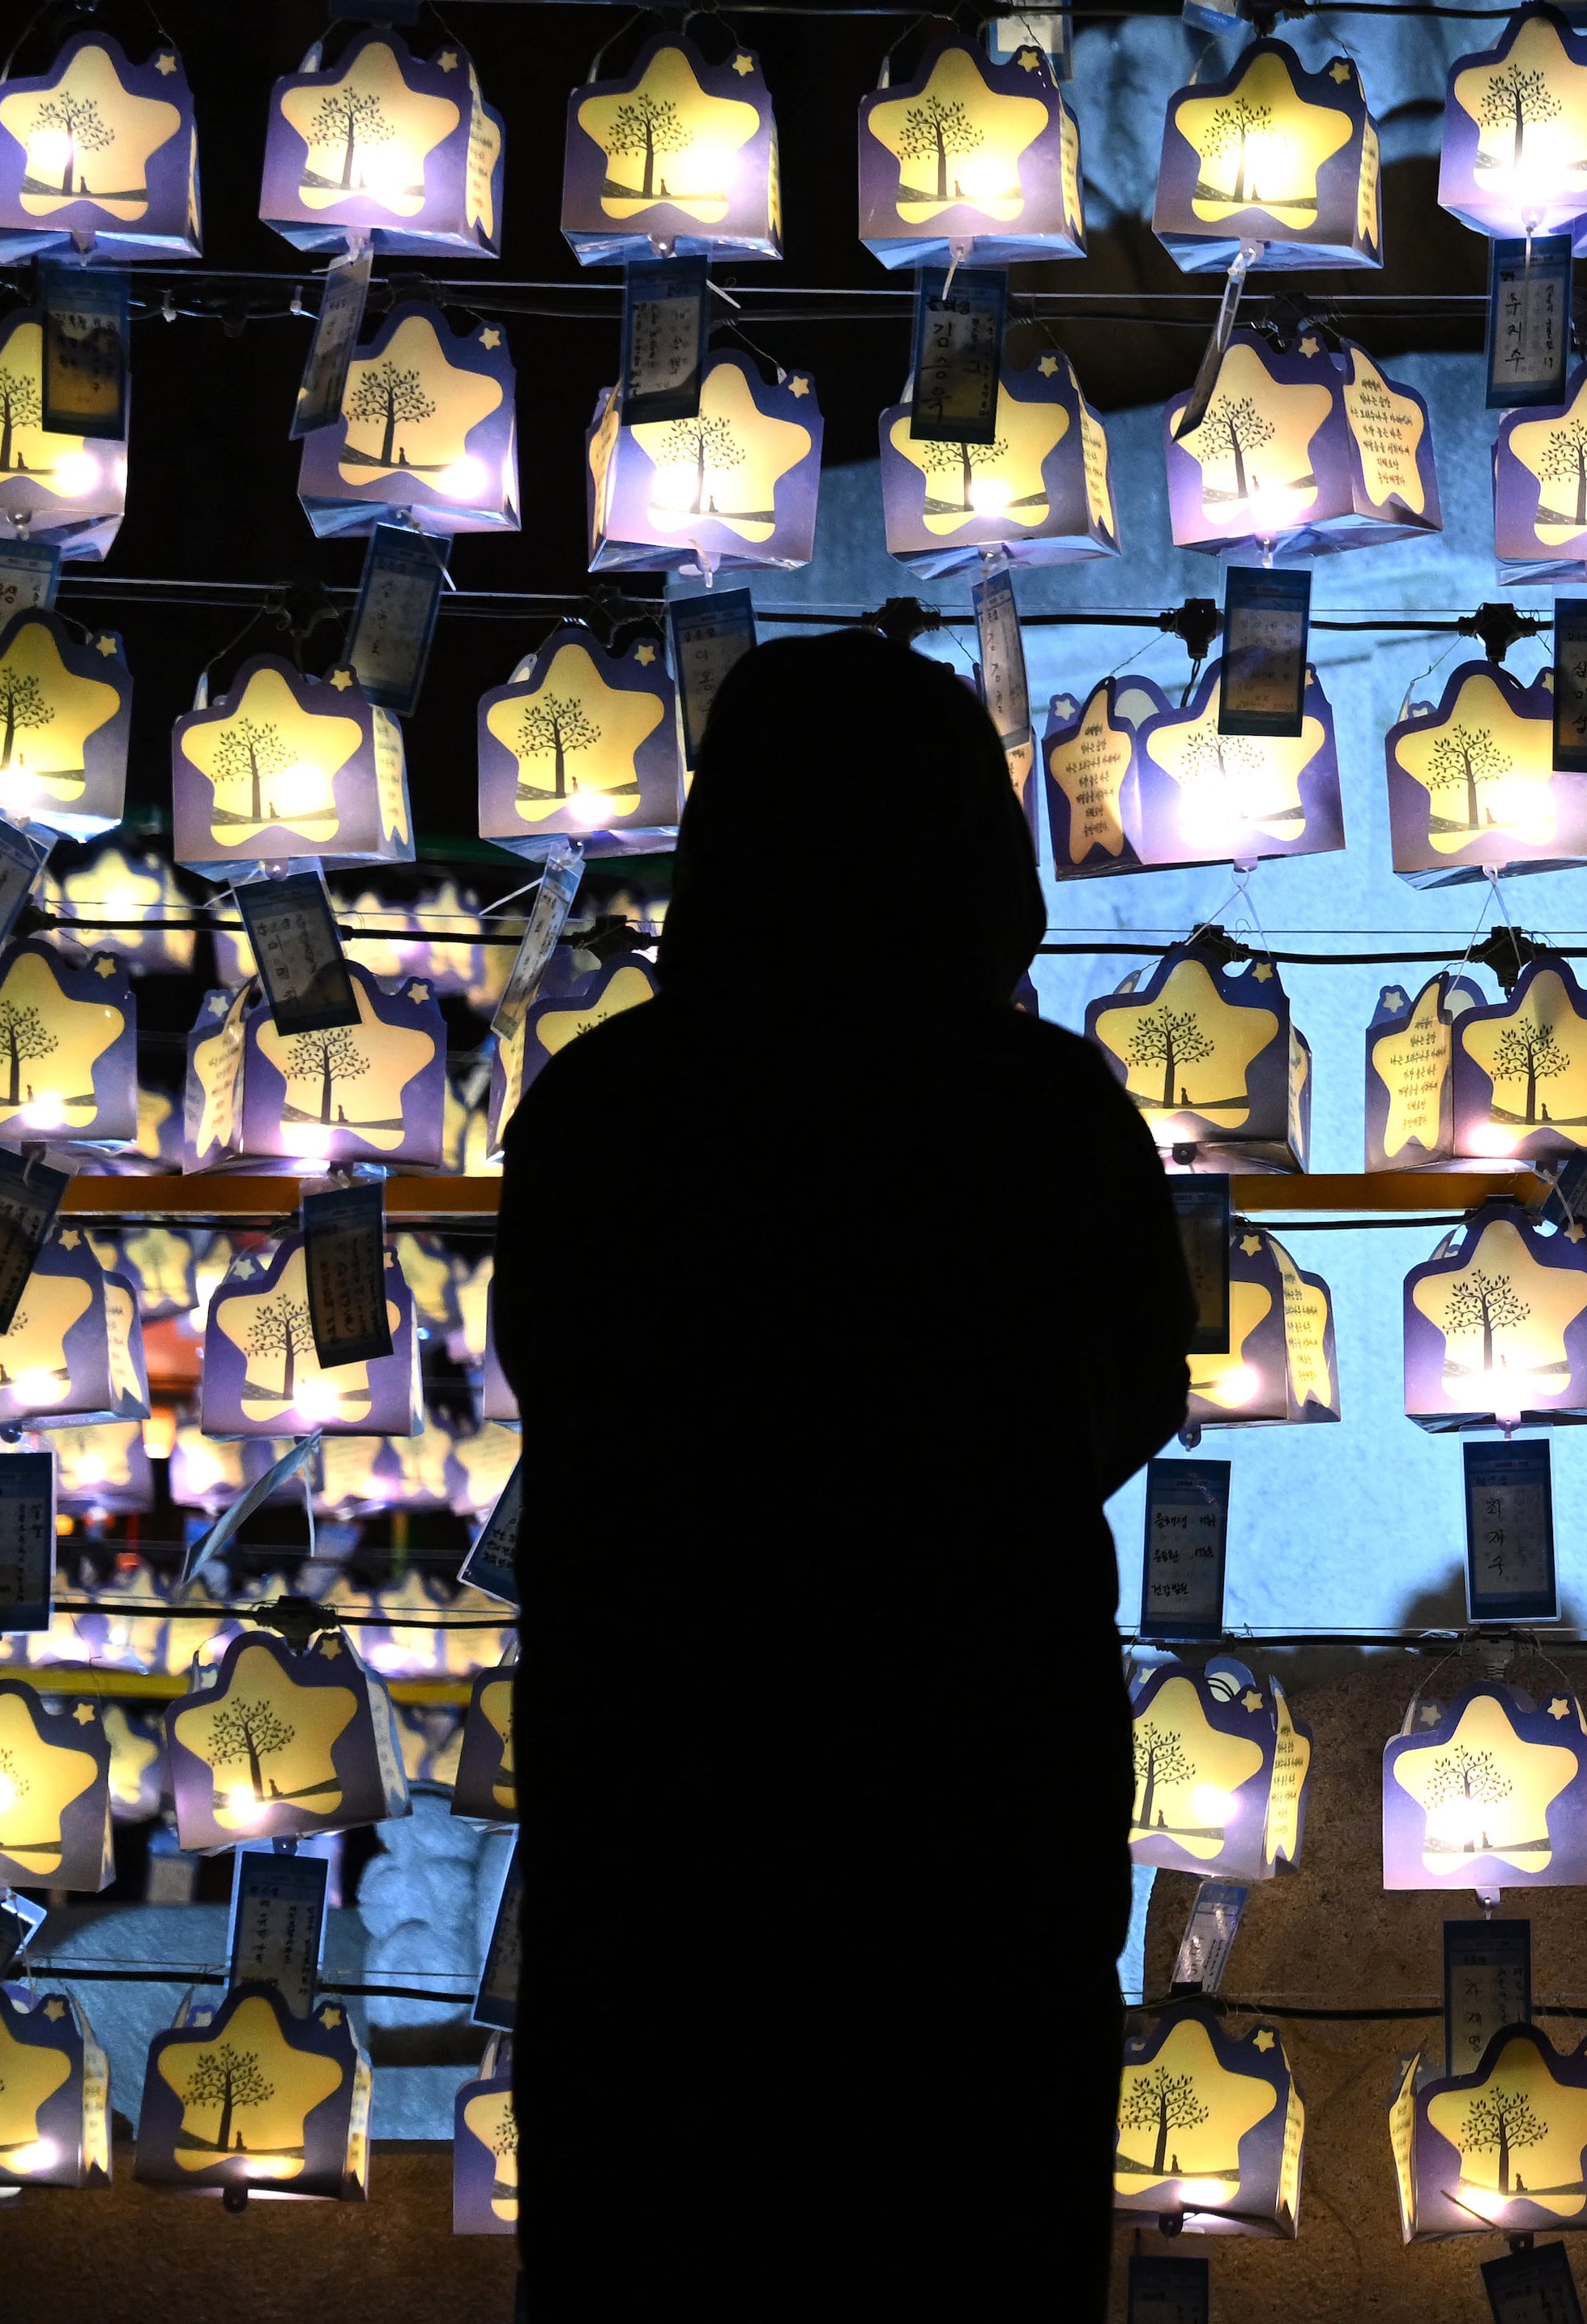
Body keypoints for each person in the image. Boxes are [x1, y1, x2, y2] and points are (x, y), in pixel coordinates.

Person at [497, 630, 1191, 2279]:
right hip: (970, 1783)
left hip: (673, 1780)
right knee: (959, 2217)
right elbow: (1135, 1383)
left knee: (673, 2220)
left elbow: (562, 1378)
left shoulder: (607, 1108)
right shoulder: (1044, 1108)